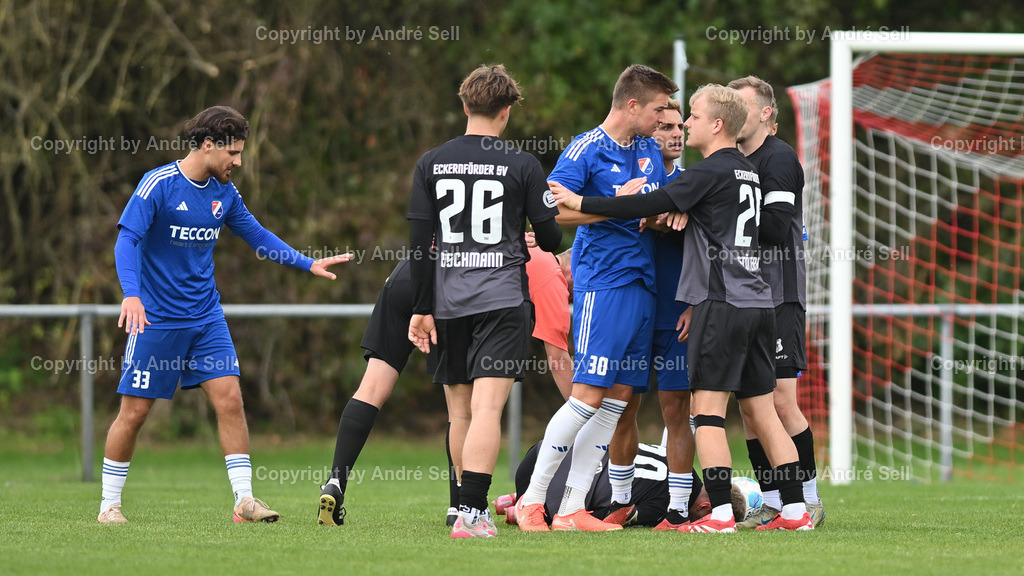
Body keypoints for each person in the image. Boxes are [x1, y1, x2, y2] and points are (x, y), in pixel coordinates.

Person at [552, 84, 813, 532]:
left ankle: (722, 515)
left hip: (722, 303)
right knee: (764, 412)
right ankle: (795, 511)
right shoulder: (747, 173)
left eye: (692, 116)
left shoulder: (709, 172)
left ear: (716, 125)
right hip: (759, 304)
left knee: (706, 413)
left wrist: (581, 202)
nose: (684, 124)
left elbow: (647, 202)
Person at [101, 105, 352, 524]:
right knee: (135, 412)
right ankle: (109, 505)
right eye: (232, 153)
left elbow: (256, 234)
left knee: (231, 399)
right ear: (207, 145)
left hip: (206, 318)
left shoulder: (225, 194)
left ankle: (244, 501)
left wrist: (306, 263)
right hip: (156, 320)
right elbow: (127, 241)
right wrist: (132, 295)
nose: (237, 161)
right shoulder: (158, 185)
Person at [513, 64, 678, 533]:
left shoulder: (649, 149)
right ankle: (531, 501)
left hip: (644, 285)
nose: (662, 120)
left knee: (619, 400)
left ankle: (571, 509)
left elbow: (656, 204)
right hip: (603, 284)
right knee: (586, 397)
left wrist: (647, 208)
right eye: (656, 110)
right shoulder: (586, 149)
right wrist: (613, 210)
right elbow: (550, 215)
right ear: (631, 106)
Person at [407, 64, 561, 538]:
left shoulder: (431, 162)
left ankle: (461, 508)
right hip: (501, 299)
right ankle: (473, 514)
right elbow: (551, 238)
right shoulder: (522, 164)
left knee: (460, 413)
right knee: (489, 410)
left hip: (448, 301)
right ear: (507, 111)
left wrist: (421, 306)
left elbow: (418, 245)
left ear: (464, 104)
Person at [315, 244, 573, 527]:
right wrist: (585, 411)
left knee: (372, 387)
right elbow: (558, 360)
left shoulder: (513, 237)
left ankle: (336, 481)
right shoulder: (552, 276)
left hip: (408, 271)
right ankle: (459, 506)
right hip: (446, 287)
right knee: (462, 408)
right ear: (576, 268)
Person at [726, 76, 823, 527]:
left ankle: (807, 498)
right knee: (750, 403)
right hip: (740, 297)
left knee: (781, 400)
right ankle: (770, 500)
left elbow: (775, 227)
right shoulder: (730, 160)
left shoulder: (779, 159)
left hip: (778, 295)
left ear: (766, 113)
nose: (732, 112)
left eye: (741, 105)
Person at [498, 441, 760, 528]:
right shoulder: (669, 503)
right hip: (556, 495)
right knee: (594, 513)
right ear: (705, 507)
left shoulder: (682, 464)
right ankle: (525, 506)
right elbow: (613, 518)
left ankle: (523, 495)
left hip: (541, 454)